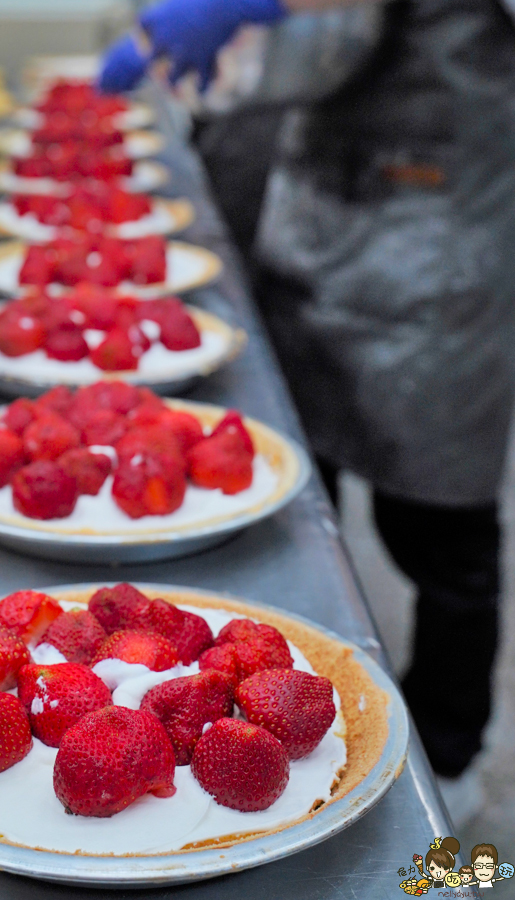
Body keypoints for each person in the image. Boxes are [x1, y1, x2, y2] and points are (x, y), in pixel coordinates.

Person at [99, 0, 515, 789]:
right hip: (320, 213)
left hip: (436, 245)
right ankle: (285, 692)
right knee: (300, 512)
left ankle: (450, 747)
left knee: (437, 528)